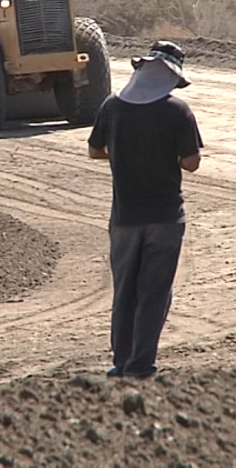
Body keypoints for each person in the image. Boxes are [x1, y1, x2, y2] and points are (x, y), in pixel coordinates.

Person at [88, 40, 203, 379]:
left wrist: (125, 152)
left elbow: (95, 151)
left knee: (124, 291)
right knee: (153, 292)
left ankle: (121, 363)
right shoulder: (177, 111)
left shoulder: (113, 106)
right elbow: (192, 163)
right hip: (166, 218)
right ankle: (141, 365)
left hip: (124, 218)